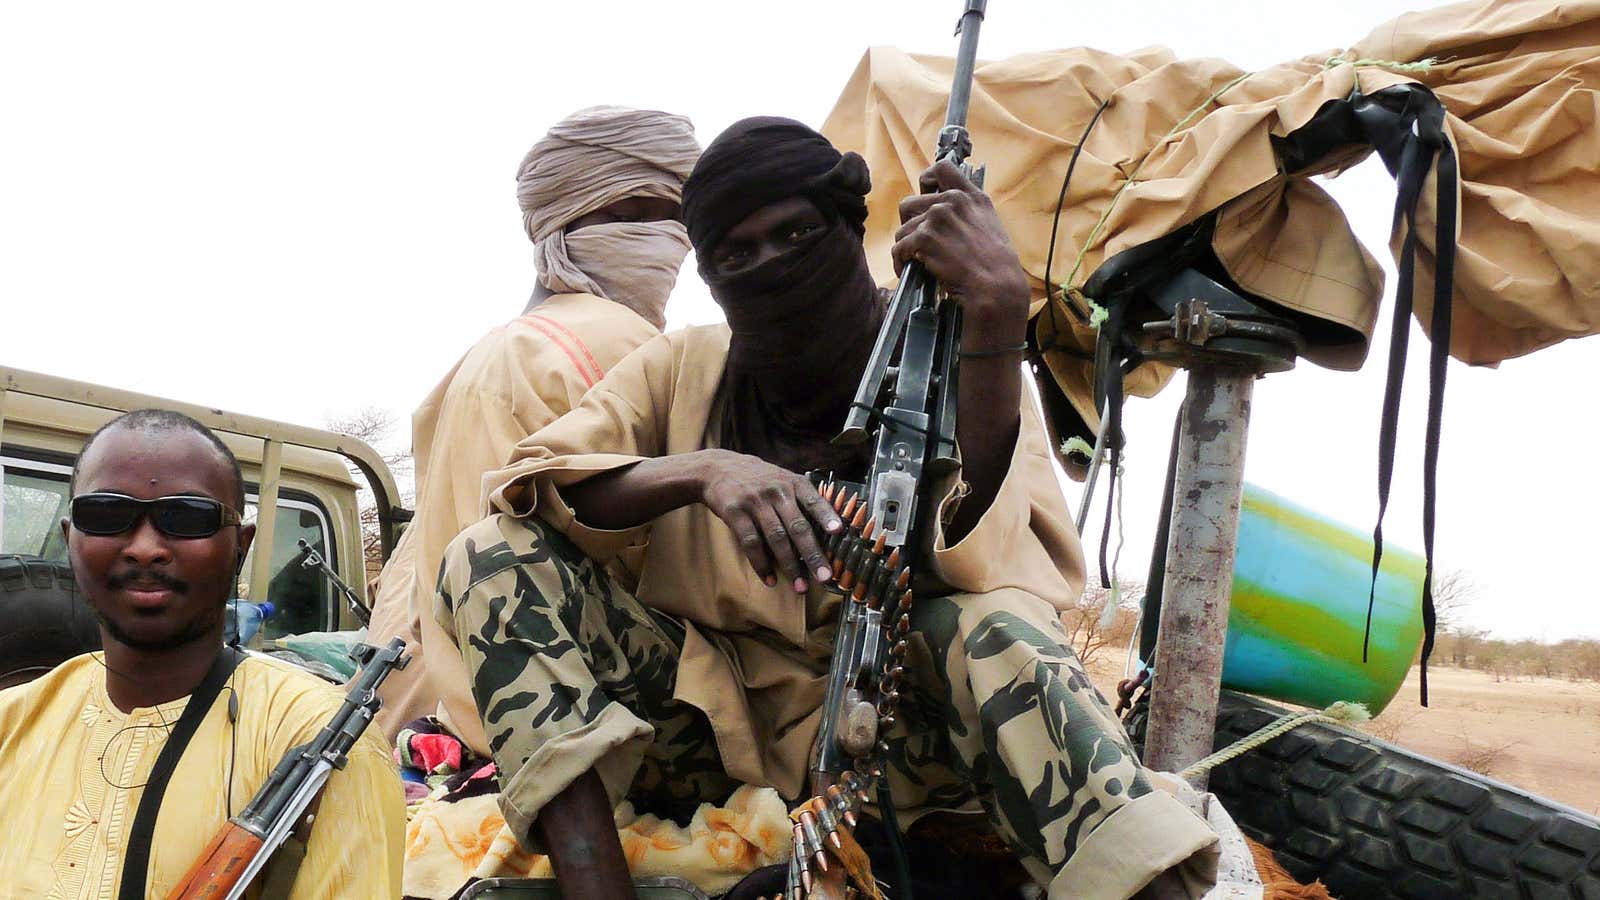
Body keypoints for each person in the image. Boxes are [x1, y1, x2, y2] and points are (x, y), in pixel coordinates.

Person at [433, 118, 1220, 899]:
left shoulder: (949, 356)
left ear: (849, 228)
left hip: (901, 741)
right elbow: (534, 486)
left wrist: (997, 312)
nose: (770, 267)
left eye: (796, 234)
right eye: (736, 255)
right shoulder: (685, 366)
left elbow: (996, 564)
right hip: (712, 731)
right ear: (709, 274)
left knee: (992, 630)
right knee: (486, 556)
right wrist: (705, 472)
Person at [363, 105, 701, 749]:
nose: (671, 241)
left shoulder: (476, 362)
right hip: (598, 724)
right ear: (571, 221)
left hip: (478, 718)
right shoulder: (625, 347)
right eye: (643, 215)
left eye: (679, 219)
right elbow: (688, 571)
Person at [0, 409, 404, 897]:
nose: (145, 548)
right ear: (70, 539)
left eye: (186, 519)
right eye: (106, 514)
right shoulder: (13, 721)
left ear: (240, 546)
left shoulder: (317, 739)